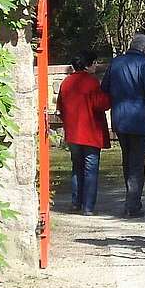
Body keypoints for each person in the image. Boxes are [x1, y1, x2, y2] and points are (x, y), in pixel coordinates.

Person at [101, 33, 145, 218]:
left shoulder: (116, 63)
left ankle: (131, 199)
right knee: (137, 163)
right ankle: (133, 204)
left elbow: (104, 88)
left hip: (119, 119)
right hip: (139, 119)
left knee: (127, 160)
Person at [56, 50, 111, 216]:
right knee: (90, 169)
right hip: (90, 132)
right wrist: (109, 96)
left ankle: (76, 202)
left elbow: (60, 107)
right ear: (88, 65)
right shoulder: (91, 82)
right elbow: (101, 104)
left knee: (76, 168)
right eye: (94, 62)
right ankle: (88, 206)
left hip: (73, 133)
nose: (96, 65)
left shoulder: (66, 82)